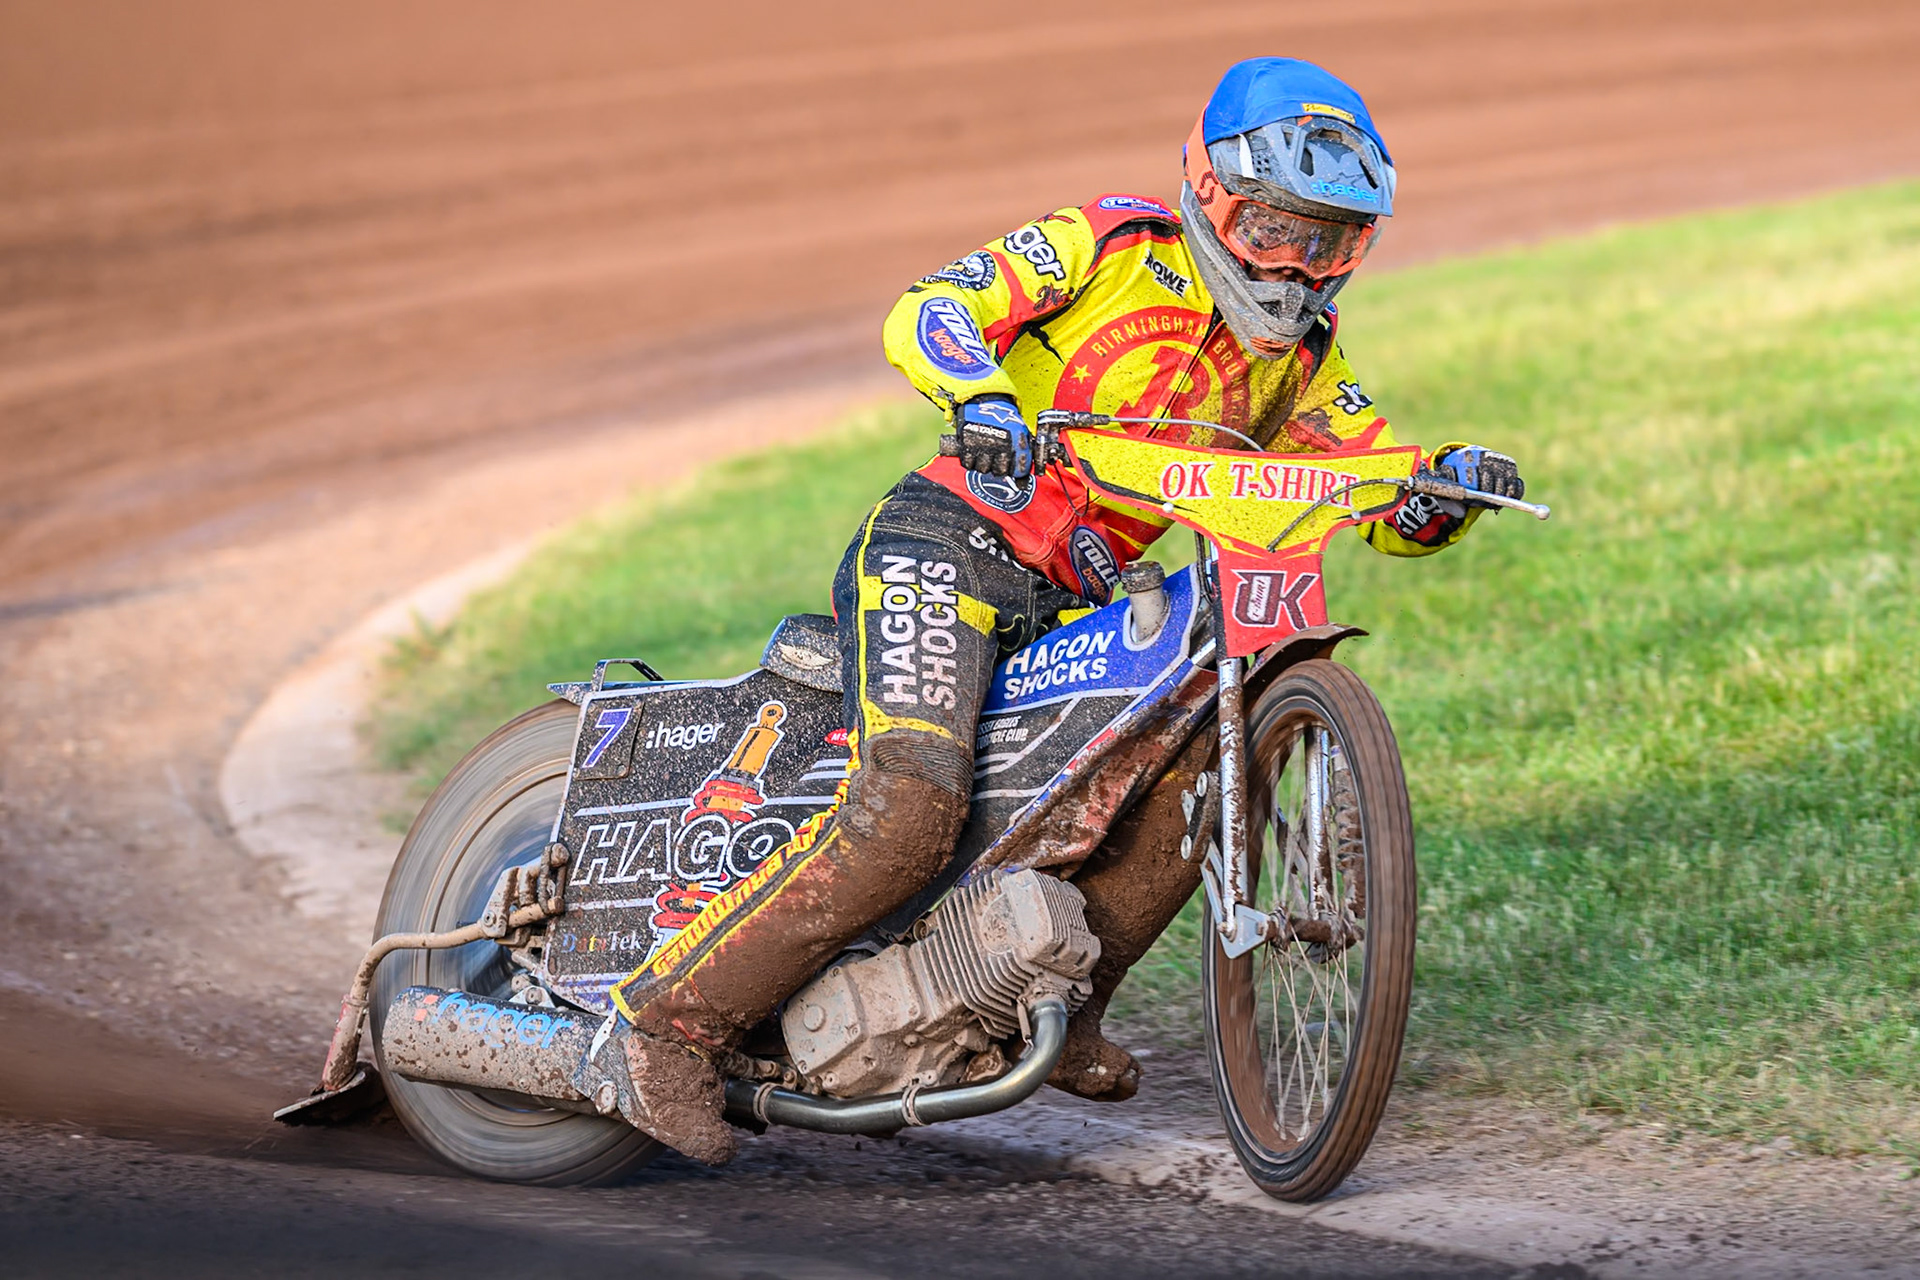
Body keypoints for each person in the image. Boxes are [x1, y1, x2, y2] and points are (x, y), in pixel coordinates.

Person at [606, 56, 1525, 1165]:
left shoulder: (1302, 362)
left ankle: (1061, 1004)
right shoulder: (1110, 244)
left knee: (1196, 774)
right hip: (949, 546)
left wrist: (1446, 485)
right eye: (1276, 225)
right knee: (906, 810)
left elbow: (1374, 484)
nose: (1293, 265)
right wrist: (982, 395)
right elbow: (935, 306)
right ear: (1213, 190)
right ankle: (662, 1026)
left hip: (1084, 598)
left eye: (1325, 240)